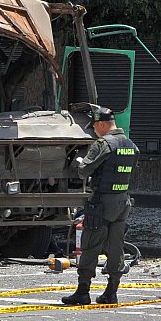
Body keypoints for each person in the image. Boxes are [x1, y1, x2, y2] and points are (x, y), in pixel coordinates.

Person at [62, 107, 138, 305]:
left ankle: (83, 291)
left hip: (102, 202)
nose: (94, 131)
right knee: (116, 247)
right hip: (123, 201)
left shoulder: (103, 144)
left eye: (95, 126)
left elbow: (84, 170)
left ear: (102, 124)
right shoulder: (130, 144)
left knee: (90, 245)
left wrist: (78, 161)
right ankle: (111, 292)